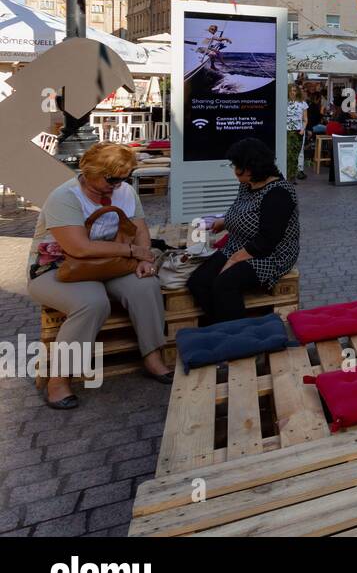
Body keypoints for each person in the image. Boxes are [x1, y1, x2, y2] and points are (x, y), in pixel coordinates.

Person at [28, 142, 172, 408]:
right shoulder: (65, 196)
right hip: (59, 268)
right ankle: (59, 379)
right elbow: (79, 248)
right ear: (90, 170)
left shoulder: (125, 191)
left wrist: (143, 258)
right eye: (111, 178)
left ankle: (153, 357)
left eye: (122, 179)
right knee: (91, 303)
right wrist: (133, 251)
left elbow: (140, 229)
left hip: (109, 264)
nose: (117, 184)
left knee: (146, 285)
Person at [187, 138, 300, 322]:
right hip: (239, 245)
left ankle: (239, 337)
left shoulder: (279, 194)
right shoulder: (248, 184)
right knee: (198, 282)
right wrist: (223, 222)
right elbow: (244, 211)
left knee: (224, 284)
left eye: (236, 166)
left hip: (270, 255)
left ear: (251, 168)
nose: (234, 170)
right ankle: (220, 326)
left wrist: (233, 259)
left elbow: (267, 241)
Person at [286, 84, 308, 181]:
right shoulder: (284, 102)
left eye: (294, 90)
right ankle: (287, 174)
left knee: (296, 153)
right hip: (286, 131)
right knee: (287, 153)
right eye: (291, 90)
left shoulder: (302, 103)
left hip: (298, 131)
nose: (292, 92)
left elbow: (305, 119)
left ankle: (293, 175)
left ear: (297, 92)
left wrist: (302, 130)